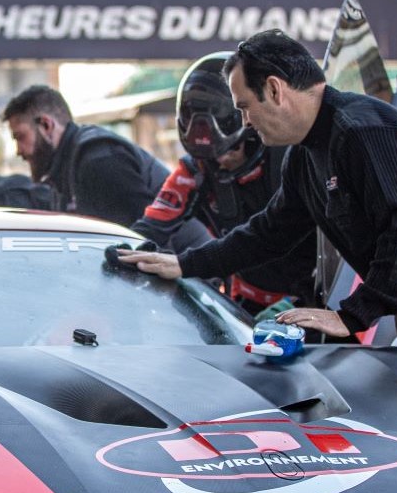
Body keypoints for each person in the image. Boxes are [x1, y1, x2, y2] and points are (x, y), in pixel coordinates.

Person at [120, 28, 397, 386]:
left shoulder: (362, 129)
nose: (246, 121)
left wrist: (352, 316)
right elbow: (270, 233)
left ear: (276, 90)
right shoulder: (306, 155)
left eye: (245, 106)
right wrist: (186, 264)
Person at [132, 51, 315, 314]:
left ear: (250, 133)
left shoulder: (290, 158)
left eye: (228, 152)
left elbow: (332, 245)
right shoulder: (196, 169)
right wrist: (123, 251)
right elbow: (151, 226)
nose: (221, 163)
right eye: (212, 157)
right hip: (242, 300)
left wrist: (308, 301)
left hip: (308, 302)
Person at [0, 84, 167, 227]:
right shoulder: (67, 168)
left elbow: (142, 238)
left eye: (21, 137)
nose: (19, 151)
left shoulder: (98, 159)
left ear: (46, 125)